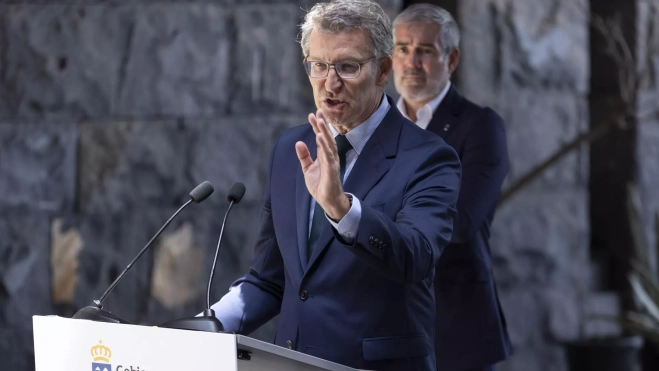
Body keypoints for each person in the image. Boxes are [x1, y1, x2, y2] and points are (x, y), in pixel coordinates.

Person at [209, 0, 461, 370]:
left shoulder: (428, 157)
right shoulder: (290, 149)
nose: (330, 83)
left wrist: (342, 210)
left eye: (348, 66)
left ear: (383, 70)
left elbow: (416, 257)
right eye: (319, 66)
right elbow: (268, 280)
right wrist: (205, 327)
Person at [392, 4, 512, 371]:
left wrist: (367, 214)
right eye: (402, 48)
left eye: (425, 50)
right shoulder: (374, 126)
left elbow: (460, 222)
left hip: (453, 328)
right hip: (381, 325)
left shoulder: (480, 127)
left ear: (452, 58)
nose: (412, 61)